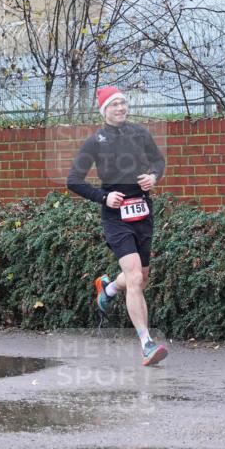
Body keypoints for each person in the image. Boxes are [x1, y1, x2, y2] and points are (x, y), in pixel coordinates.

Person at [67, 86, 169, 367]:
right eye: (114, 105)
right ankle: (146, 344)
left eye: (123, 103)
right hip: (116, 216)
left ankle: (109, 288)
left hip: (143, 212)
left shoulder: (140, 133)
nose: (121, 108)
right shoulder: (95, 141)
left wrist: (153, 177)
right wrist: (103, 197)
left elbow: (159, 161)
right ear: (104, 111)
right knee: (135, 278)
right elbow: (73, 179)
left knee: (140, 278)